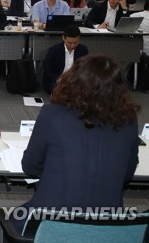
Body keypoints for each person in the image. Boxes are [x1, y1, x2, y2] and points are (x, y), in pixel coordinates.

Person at [13, 54, 139, 234]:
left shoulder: (52, 115)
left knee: (7, 219)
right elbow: (127, 174)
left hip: (50, 222)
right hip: (108, 226)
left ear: (73, 81)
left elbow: (30, 167)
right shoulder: (129, 121)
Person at [42, 25, 89, 94]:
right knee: (62, 90)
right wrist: (61, 79)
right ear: (63, 38)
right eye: (70, 43)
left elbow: (85, 69)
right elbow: (48, 71)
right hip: (57, 80)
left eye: (76, 42)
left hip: (75, 80)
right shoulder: (54, 50)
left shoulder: (83, 50)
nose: (73, 45)